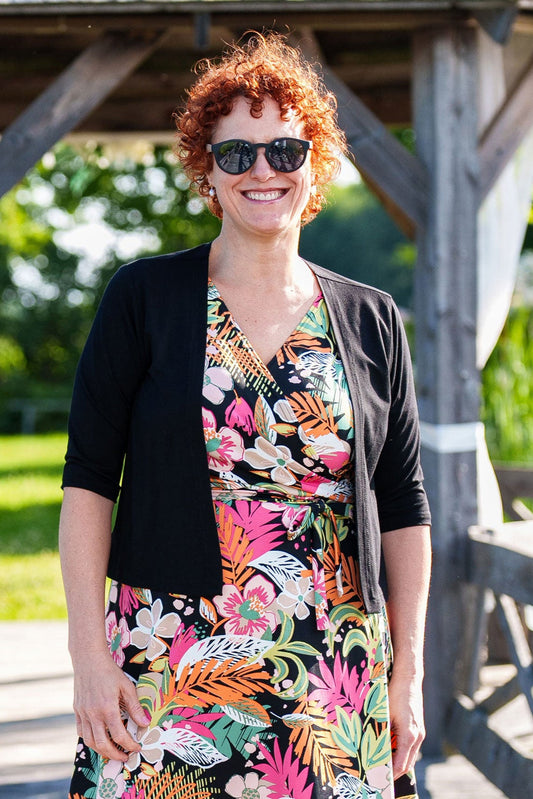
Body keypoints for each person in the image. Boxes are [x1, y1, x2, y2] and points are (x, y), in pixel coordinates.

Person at [60, 32, 431, 799]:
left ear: (316, 165)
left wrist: (409, 670)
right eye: (236, 155)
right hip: (168, 649)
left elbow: (402, 504)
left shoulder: (371, 319)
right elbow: (89, 480)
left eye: (285, 151)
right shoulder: (144, 298)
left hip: (333, 658)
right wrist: (89, 659)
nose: (262, 171)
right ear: (206, 171)